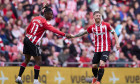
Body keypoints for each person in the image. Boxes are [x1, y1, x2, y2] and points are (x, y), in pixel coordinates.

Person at [15, 4, 72, 84]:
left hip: (27, 39)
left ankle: (19, 77)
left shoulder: (35, 18)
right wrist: (65, 34)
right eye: (50, 14)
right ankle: (35, 81)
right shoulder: (44, 22)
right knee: (39, 61)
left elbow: (27, 29)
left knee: (27, 59)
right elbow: (54, 30)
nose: (52, 16)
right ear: (46, 14)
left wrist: (28, 37)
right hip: (33, 42)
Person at [71, 11, 120, 84]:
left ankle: (98, 81)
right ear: (93, 17)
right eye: (96, 15)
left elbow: (114, 33)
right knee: (94, 66)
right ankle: (95, 77)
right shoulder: (92, 27)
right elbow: (83, 33)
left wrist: (117, 43)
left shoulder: (106, 25)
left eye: (99, 15)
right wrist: (74, 36)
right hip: (97, 49)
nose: (98, 17)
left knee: (102, 63)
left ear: (101, 17)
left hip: (106, 48)